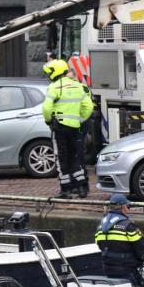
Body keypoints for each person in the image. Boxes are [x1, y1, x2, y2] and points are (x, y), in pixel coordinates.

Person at [42, 59, 93, 199]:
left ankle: (66, 190)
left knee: (61, 158)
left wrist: (48, 121)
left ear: (54, 73)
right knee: (76, 157)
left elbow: (46, 108)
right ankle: (82, 188)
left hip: (59, 128)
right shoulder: (78, 86)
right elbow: (89, 107)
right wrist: (79, 119)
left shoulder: (54, 87)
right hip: (76, 128)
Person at [94, 193, 144, 287]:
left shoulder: (101, 226)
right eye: (128, 206)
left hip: (109, 269)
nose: (128, 208)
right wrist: (141, 261)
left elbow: (99, 244)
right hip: (128, 270)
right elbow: (141, 248)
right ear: (123, 207)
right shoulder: (128, 225)